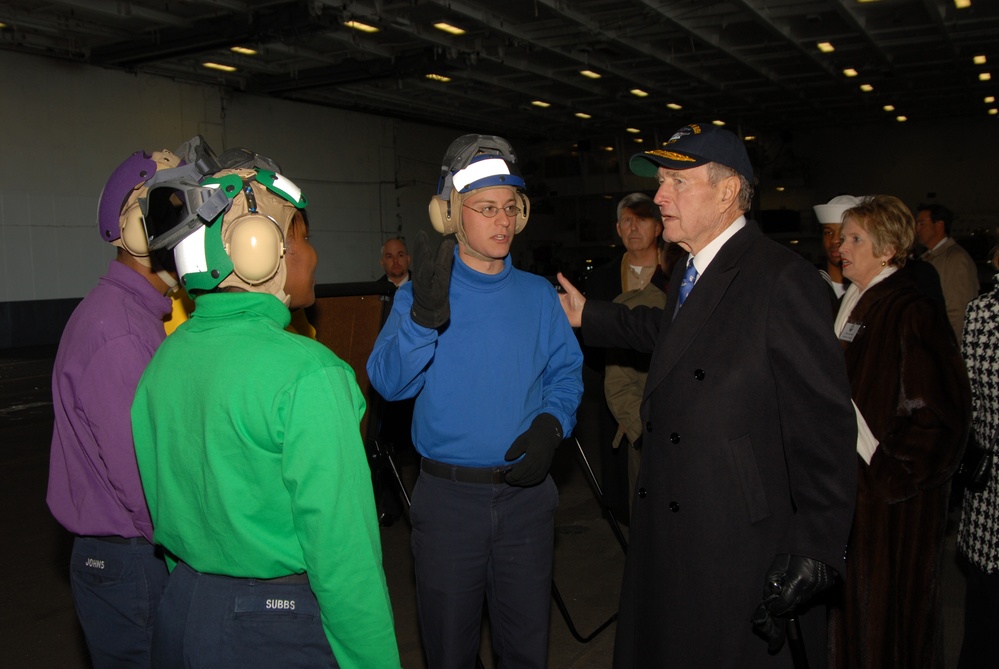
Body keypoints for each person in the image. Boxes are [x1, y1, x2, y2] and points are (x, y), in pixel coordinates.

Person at [556, 122, 857, 668]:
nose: (659, 196)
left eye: (676, 181)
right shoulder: (695, 269)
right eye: (660, 182)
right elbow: (673, 338)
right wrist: (589, 316)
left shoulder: (781, 279)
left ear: (727, 192)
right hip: (678, 519)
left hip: (736, 533)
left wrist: (815, 547)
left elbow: (825, 426)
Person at [130, 164, 401, 669]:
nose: (313, 254)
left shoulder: (164, 361)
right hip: (276, 629)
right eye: (301, 238)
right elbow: (344, 558)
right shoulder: (309, 373)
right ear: (257, 247)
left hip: (183, 610)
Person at [367, 133, 583, 669]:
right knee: (449, 652)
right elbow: (389, 385)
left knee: (525, 650)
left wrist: (552, 426)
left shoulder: (538, 296)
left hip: (526, 503)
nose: (502, 221)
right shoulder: (420, 293)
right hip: (448, 503)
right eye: (486, 208)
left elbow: (566, 375)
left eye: (510, 208)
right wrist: (422, 319)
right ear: (451, 214)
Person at [46, 147, 181, 668]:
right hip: (129, 560)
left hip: (124, 557)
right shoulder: (120, 331)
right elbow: (139, 478)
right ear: (137, 229)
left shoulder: (132, 314)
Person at [828, 195, 970, 669]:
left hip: (891, 508)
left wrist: (885, 480)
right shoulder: (854, 302)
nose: (841, 247)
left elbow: (941, 419)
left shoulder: (912, 310)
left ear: (887, 248)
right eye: (842, 237)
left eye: (854, 239)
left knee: (890, 629)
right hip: (855, 495)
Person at [585, 193, 667, 522]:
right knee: (630, 496)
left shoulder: (676, 274)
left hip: (661, 394)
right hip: (616, 395)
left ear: (659, 227)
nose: (634, 228)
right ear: (618, 229)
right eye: (627, 221)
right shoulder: (601, 280)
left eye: (642, 219)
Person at [954, 245, 999, 668]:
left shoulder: (983, 312)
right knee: (986, 624)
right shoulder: (985, 312)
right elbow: (972, 401)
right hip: (993, 498)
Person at [373, 236, 415, 527]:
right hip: (386, 387)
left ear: (409, 259)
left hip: (419, 383)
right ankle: (392, 506)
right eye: (389, 256)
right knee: (387, 448)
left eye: (400, 254)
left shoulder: (424, 291)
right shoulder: (372, 295)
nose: (395, 261)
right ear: (382, 262)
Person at [915, 203, 979, 340]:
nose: (917, 229)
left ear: (939, 225)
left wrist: (945, 350)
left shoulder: (956, 259)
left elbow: (958, 311)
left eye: (922, 224)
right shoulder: (928, 257)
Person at [813, 194, 859, 309]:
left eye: (843, 233)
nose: (835, 240)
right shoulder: (810, 284)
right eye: (828, 232)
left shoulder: (871, 285)